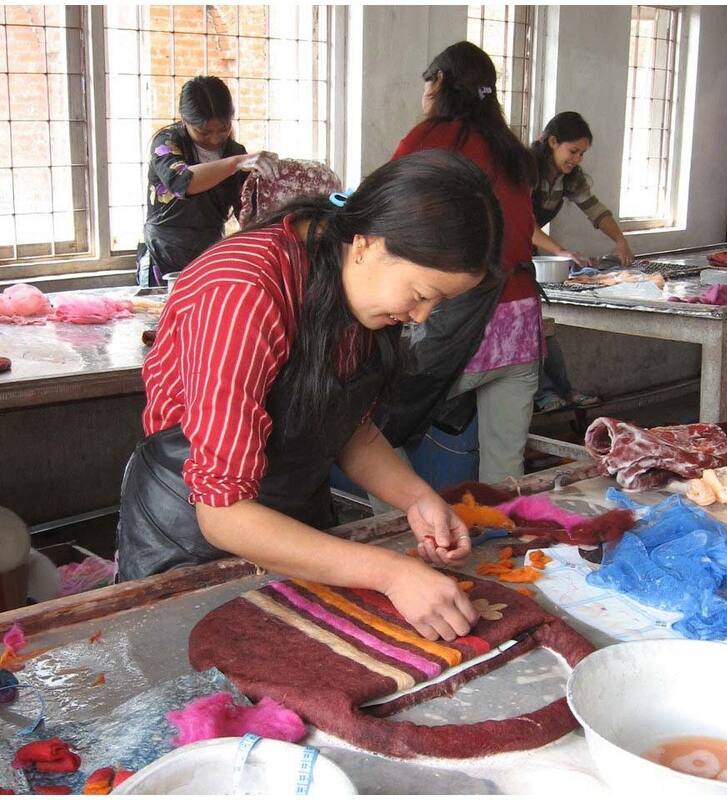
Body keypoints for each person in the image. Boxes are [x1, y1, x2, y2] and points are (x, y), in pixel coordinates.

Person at [117, 149, 505, 643]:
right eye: (422, 293)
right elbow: (222, 511)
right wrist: (391, 572)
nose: (423, 317)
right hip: (192, 537)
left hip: (293, 528)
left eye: (440, 302)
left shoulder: (351, 283)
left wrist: (417, 498)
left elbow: (347, 428)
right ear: (366, 244)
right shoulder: (245, 290)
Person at [384, 41, 542, 485]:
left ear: (439, 82)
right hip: (520, 325)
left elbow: (384, 214)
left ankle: (407, 533)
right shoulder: (512, 150)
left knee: (372, 429)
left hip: (462, 324)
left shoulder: (429, 139)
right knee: (504, 472)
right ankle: (505, 546)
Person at [530, 112, 634, 412]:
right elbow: (521, 222)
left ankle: (560, 390)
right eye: (572, 151)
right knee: (531, 328)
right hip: (503, 250)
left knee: (542, 327)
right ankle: (544, 394)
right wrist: (561, 252)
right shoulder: (527, 171)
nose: (576, 159)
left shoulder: (568, 179)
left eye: (581, 153)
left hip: (528, 252)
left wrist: (620, 239)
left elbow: (595, 210)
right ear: (552, 142)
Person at [137, 75, 280, 287]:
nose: (214, 139)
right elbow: (182, 182)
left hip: (209, 256)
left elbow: (248, 212)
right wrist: (235, 164)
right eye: (204, 133)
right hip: (164, 254)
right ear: (184, 120)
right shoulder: (167, 142)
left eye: (223, 130)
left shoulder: (234, 152)